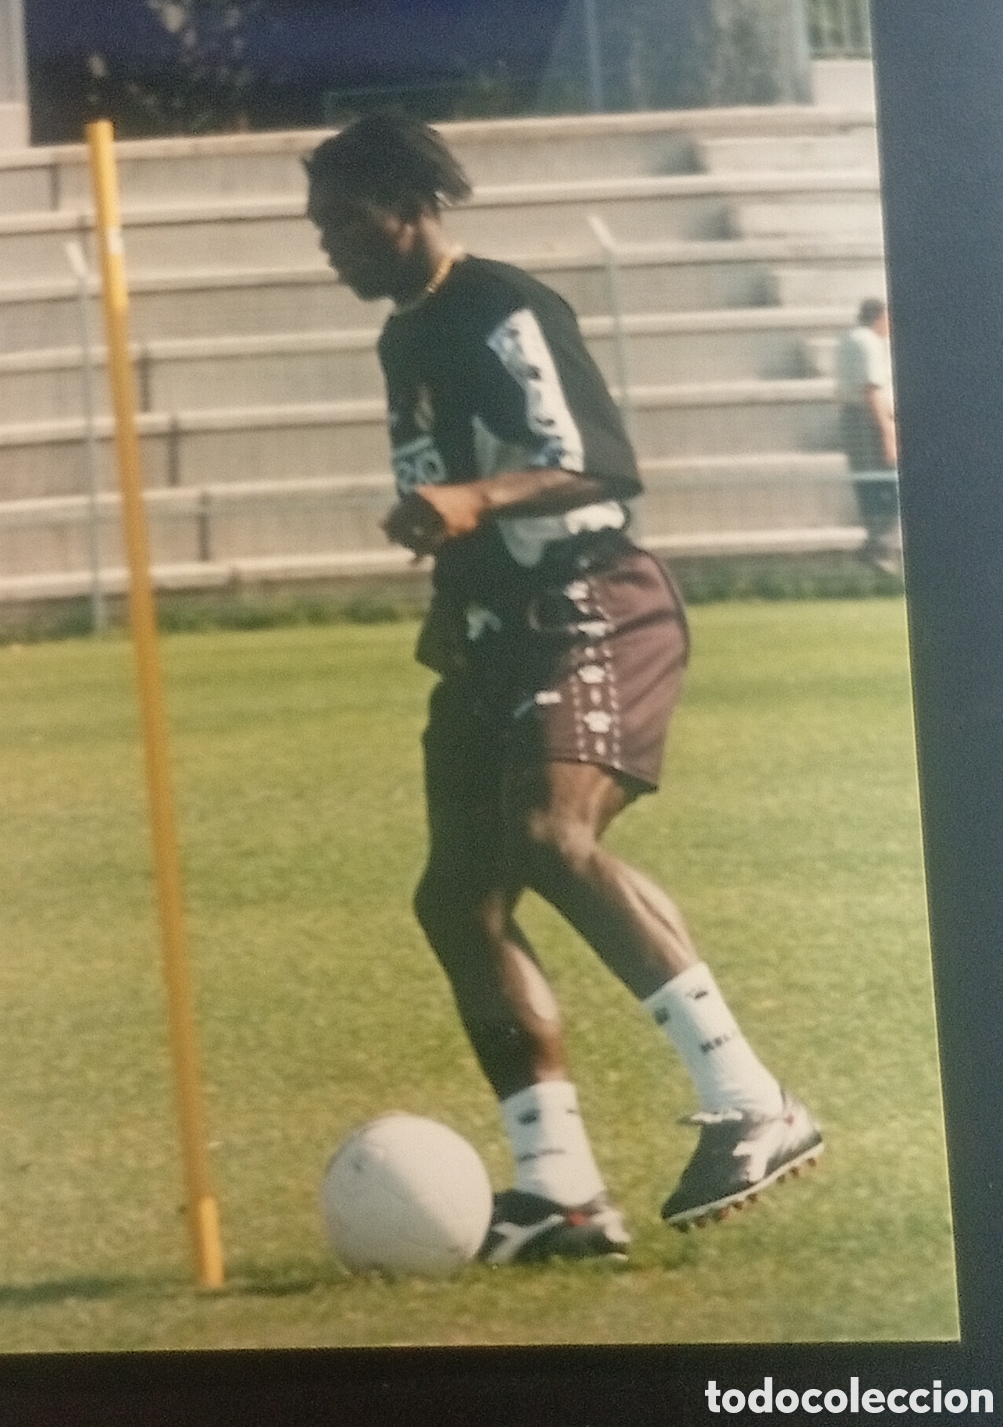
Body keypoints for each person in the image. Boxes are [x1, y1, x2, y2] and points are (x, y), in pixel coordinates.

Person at [304, 115, 822, 1263]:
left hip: (594, 603)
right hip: (494, 639)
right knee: (458, 900)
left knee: (552, 835)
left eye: (343, 223)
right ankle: (562, 1193)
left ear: (409, 204)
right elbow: (440, 488)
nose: (329, 247)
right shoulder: (404, 344)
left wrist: (478, 504)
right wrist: (449, 596)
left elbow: (596, 462)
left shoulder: (506, 307)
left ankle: (752, 1101)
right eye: (318, 229)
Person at [834, 299, 901, 574]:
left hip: (853, 417)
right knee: (885, 483)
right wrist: (887, 433)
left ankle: (874, 547)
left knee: (869, 483)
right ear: (879, 316)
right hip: (869, 420)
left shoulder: (848, 340)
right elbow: (871, 391)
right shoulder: (868, 343)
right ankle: (879, 551)